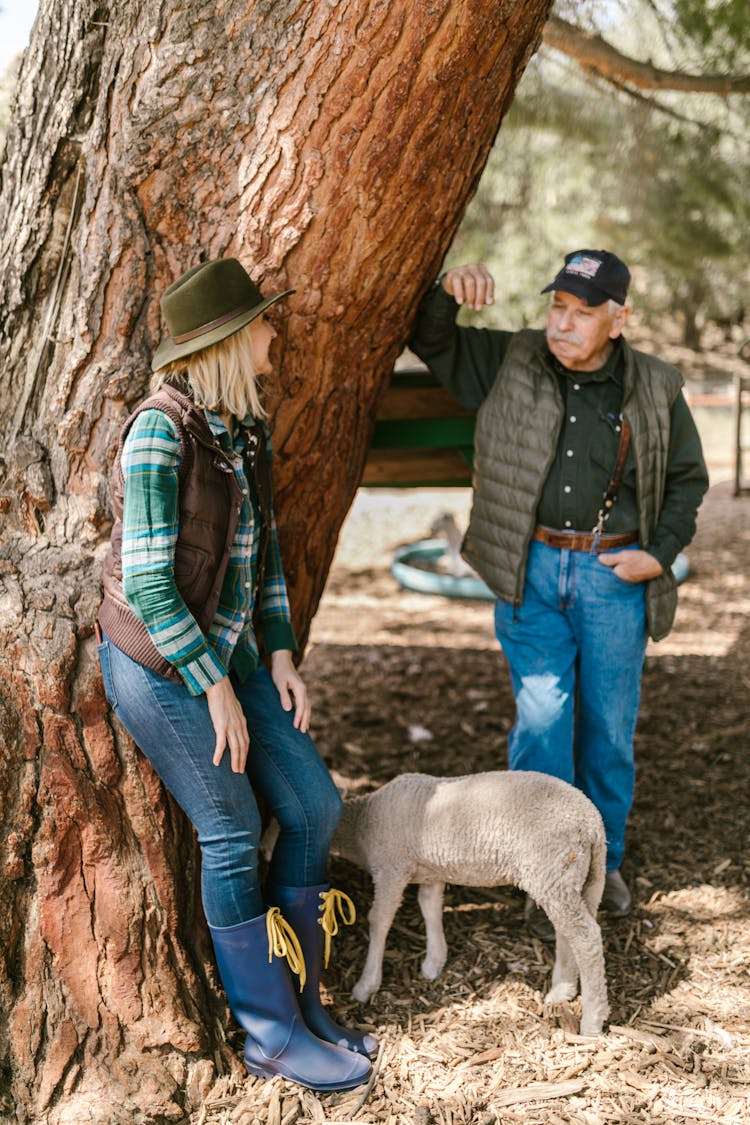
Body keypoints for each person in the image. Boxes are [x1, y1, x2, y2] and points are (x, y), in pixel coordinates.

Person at [96, 258, 375, 1090]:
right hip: (158, 657)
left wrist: (279, 654)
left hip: (232, 651)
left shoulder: (240, 425)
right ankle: (270, 1036)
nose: (273, 334)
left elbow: (268, 557)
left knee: (315, 805)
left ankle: (306, 1006)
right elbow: (147, 582)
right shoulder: (159, 430)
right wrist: (213, 684)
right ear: (225, 340)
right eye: (262, 323)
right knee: (230, 827)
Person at [409, 250, 708, 941]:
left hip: (612, 575)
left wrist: (657, 554)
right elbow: (432, 340)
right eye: (557, 307)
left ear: (618, 318)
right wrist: (446, 290)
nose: (564, 323)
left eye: (583, 311)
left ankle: (603, 865)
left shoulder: (656, 385)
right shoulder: (511, 360)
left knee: (607, 731)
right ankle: (540, 868)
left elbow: (689, 478)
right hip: (531, 567)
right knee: (543, 720)